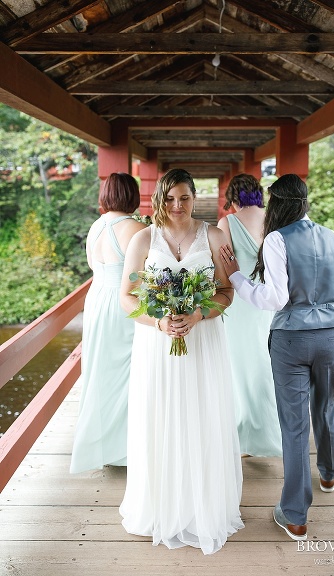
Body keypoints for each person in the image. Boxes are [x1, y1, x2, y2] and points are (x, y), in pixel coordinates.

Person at [219, 174, 334, 542]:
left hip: (290, 340)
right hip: (330, 335)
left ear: (278, 203)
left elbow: (274, 299)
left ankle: (295, 515)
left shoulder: (277, 239)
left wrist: (236, 278)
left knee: (294, 427)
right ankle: (328, 472)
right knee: (325, 407)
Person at [119, 168, 242, 555]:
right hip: (156, 348)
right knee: (159, 418)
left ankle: (201, 508)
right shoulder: (143, 239)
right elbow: (125, 297)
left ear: (196, 197)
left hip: (203, 344)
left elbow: (226, 291)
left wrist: (198, 315)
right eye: (170, 198)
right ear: (159, 199)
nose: (177, 206)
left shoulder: (216, 236)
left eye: (185, 197)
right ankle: (160, 507)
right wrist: (158, 321)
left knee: (201, 417)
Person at [70, 173, 147, 474]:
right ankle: (127, 447)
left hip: (97, 299)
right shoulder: (136, 229)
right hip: (122, 302)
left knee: (100, 369)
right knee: (130, 369)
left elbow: (93, 265)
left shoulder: (95, 227)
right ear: (132, 195)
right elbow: (144, 273)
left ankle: (103, 444)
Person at [217, 174, 282, 458]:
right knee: (267, 363)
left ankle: (242, 436)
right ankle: (271, 431)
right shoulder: (273, 219)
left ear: (232, 198)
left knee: (238, 366)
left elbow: (223, 266)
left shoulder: (226, 223)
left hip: (239, 302)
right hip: (270, 300)